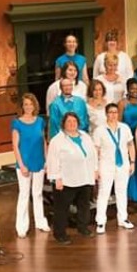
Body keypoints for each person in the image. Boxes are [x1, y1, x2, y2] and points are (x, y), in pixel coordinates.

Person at [47, 112, 97, 245]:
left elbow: (93, 154)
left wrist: (95, 170)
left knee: (84, 205)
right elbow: (52, 160)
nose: (72, 124)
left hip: (84, 177)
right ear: (63, 124)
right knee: (62, 209)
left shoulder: (85, 136)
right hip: (66, 180)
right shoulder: (57, 141)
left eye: (74, 121)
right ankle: (60, 234)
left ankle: (83, 227)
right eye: (69, 122)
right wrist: (56, 178)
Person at [93, 103, 136, 234]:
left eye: (115, 112)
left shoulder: (124, 128)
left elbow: (130, 145)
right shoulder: (99, 130)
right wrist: (95, 168)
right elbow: (96, 150)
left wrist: (132, 162)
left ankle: (123, 218)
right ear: (106, 114)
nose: (113, 115)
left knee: (122, 192)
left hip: (123, 164)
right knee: (104, 193)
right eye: (110, 112)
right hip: (106, 165)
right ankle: (100, 221)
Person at [12, 93, 50, 238]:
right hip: (24, 163)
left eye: (30, 104)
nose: (28, 107)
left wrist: (46, 161)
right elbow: (15, 145)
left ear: (35, 105)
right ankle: (21, 226)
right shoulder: (17, 123)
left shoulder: (40, 121)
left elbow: (43, 142)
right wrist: (21, 165)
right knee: (24, 194)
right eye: (26, 104)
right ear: (22, 106)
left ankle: (41, 222)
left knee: (38, 193)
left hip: (39, 161)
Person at [118, 78, 137, 203]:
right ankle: (130, 195)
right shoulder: (122, 103)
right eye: (132, 88)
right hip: (129, 138)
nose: (134, 91)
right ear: (128, 89)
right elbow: (119, 122)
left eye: (136, 88)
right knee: (131, 165)